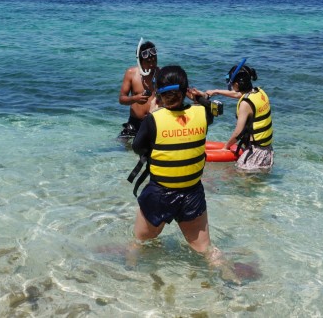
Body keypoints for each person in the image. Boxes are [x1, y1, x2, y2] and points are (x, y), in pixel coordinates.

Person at [128, 65, 217, 255]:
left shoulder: (154, 120)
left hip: (160, 193)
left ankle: (129, 273)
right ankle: (225, 274)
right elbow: (214, 109)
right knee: (206, 250)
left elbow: (137, 147)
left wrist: (152, 112)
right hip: (192, 194)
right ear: (186, 91)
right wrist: (199, 98)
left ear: (158, 93)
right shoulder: (202, 113)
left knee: (139, 243)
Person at [204, 59, 273, 173]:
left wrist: (225, 147)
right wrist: (216, 91)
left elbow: (238, 133)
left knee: (238, 180)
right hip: (266, 150)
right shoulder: (259, 92)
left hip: (255, 153)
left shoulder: (245, 104)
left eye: (232, 84)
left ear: (236, 84)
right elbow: (238, 94)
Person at [117, 40, 159, 142]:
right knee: (120, 145)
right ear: (140, 61)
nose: (152, 65)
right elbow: (122, 99)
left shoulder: (161, 74)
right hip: (134, 123)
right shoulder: (131, 73)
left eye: (154, 61)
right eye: (148, 62)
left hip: (155, 121)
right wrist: (135, 98)